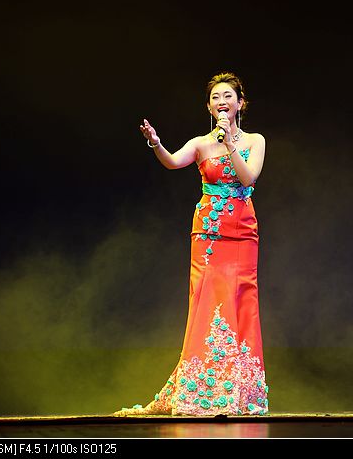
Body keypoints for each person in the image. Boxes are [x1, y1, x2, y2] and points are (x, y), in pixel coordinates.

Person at [114, 72, 269, 416]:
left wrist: (229, 143)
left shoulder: (255, 140)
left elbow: (248, 177)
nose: (221, 102)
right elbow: (173, 162)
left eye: (227, 96)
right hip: (208, 233)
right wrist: (156, 143)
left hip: (242, 230)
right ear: (209, 107)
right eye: (215, 98)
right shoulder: (200, 143)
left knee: (241, 300)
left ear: (240, 103)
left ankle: (239, 391)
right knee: (207, 300)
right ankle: (203, 388)